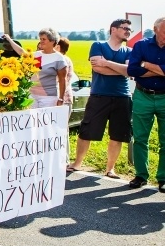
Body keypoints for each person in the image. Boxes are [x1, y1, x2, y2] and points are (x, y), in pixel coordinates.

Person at [67, 19, 133, 178]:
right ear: (113, 29)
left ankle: (110, 169)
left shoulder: (129, 51)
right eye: (125, 28)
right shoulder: (98, 45)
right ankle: (77, 163)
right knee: (86, 131)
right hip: (99, 95)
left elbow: (130, 71)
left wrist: (106, 63)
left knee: (117, 135)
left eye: (129, 30)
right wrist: (119, 68)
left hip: (122, 97)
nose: (128, 32)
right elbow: (98, 68)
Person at [127, 17, 165, 190]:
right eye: (164, 31)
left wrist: (147, 64)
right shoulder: (141, 45)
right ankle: (141, 175)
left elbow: (141, 68)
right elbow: (132, 70)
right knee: (140, 138)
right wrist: (160, 70)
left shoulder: (144, 53)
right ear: (155, 29)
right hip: (143, 96)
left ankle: (163, 178)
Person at [5, 28, 67, 109]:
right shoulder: (36, 55)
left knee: (45, 121)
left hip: (48, 98)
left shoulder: (59, 58)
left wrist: (61, 98)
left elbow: (62, 79)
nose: (41, 41)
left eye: (44, 39)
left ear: (52, 41)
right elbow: (21, 52)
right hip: (32, 95)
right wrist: (9, 39)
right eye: (40, 39)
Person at [56, 37, 79, 119]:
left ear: (58, 47)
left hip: (61, 98)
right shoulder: (68, 59)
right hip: (67, 97)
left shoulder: (60, 59)